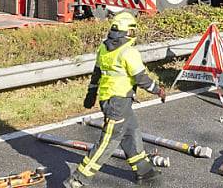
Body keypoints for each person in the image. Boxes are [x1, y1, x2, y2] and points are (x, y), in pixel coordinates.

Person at [64, 12, 166, 187]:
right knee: (108, 142)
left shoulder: (104, 48)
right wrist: (158, 90)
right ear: (128, 32)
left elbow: (96, 74)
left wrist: (91, 94)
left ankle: (144, 171)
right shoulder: (129, 51)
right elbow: (141, 78)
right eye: (132, 31)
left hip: (112, 100)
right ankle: (78, 179)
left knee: (131, 132)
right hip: (117, 103)